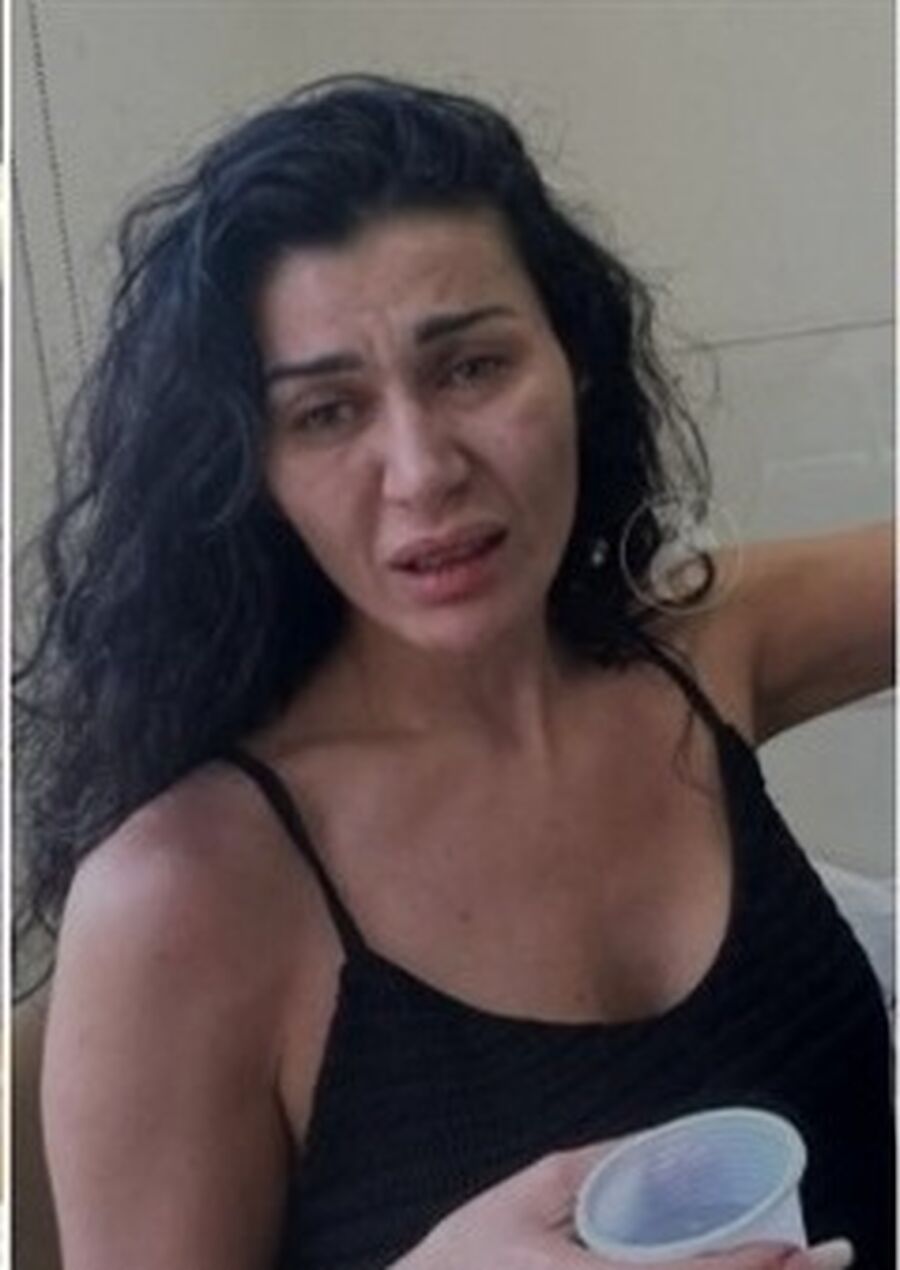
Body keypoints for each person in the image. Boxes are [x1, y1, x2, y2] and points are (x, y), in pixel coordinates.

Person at [15, 74, 892, 1270]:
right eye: (327, 412)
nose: (423, 469)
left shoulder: (698, 647)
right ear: (249, 469)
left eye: (472, 367)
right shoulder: (186, 893)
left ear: (575, 361)